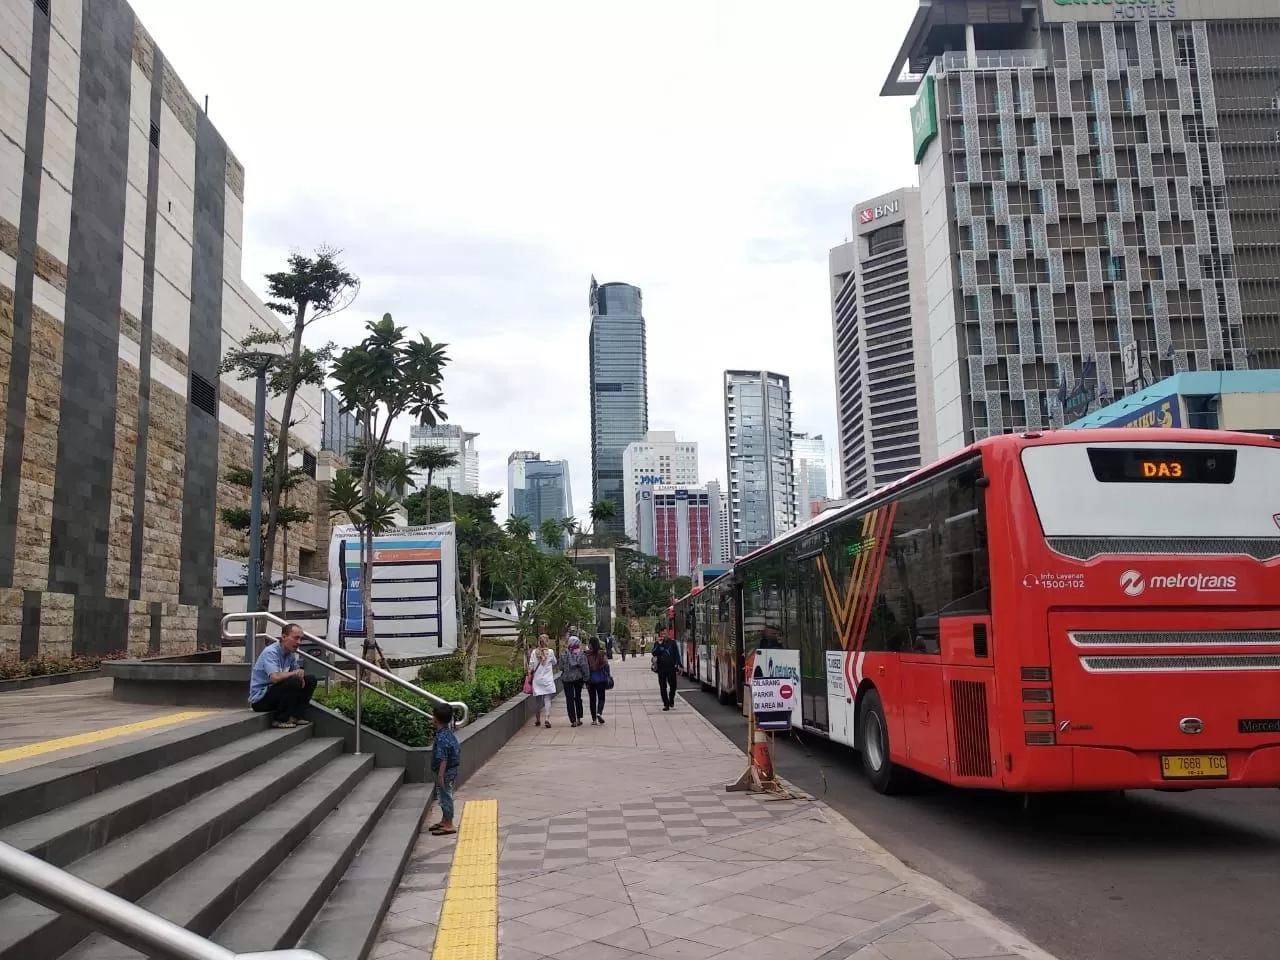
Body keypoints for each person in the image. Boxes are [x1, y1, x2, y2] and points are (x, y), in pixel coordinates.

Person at [249, 623, 317, 728]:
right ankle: (280, 719)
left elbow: (296, 672)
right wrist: (295, 673)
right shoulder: (270, 652)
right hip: (261, 700)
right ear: (284, 637)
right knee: (293, 681)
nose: (299, 642)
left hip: (276, 694)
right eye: (296, 638)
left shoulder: (290, 654)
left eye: (301, 639)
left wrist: (299, 673)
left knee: (311, 680)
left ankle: (295, 716)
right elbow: (275, 678)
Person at [428, 702, 460, 836]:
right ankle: (444, 819)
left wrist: (440, 775)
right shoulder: (448, 733)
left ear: (436, 719)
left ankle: (449, 824)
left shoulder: (442, 738)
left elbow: (443, 759)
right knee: (443, 794)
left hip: (446, 772)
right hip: (450, 771)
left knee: (445, 796)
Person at [527, 634, 558, 728]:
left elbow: (531, 666)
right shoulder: (551, 652)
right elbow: (555, 662)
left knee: (538, 701)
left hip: (537, 680)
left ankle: (537, 720)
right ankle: (547, 719)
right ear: (547, 641)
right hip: (547, 680)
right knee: (547, 699)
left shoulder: (534, 652)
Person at [560, 636, 589, 727]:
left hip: (566, 678)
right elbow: (584, 666)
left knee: (569, 699)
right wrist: (586, 678)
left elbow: (560, 667)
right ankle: (579, 718)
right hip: (578, 678)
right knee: (578, 697)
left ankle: (572, 720)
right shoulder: (581, 653)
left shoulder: (563, 654)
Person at [652, 631, 682, 711]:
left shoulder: (672, 643)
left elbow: (677, 654)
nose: (663, 636)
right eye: (661, 635)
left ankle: (671, 699)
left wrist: (679, 664)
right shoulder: (657, 643)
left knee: (673, 685)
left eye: (665, 634)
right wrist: (659, 644)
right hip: (661, 667)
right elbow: (654, 653)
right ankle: (666, 704)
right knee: (662, 686)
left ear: (668, 635)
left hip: (671, 667)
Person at [586, 636, 611, 725]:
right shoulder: (602, 653)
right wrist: (608, 675)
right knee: (601, 698)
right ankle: (599, 712)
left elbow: (585, 667)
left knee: (592, 699)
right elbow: (606, 665)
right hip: (601, 679)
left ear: (590, 644)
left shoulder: (587, 654)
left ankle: (594, 720)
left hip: (591, 679)